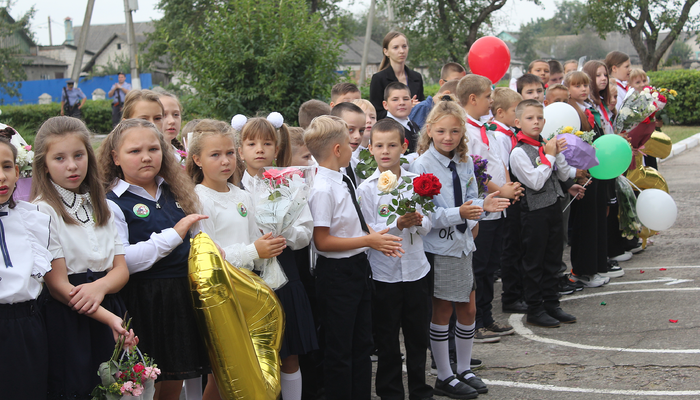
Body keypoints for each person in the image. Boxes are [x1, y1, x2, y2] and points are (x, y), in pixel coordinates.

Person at [98, 119, 210, 400]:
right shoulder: (112, 202)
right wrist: (175, 234)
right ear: (115, 157)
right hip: (143, 302)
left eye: (153, 148)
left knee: (175, 383)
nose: (146, 157)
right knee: (145, 388)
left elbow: (195, 239)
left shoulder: (176, 191)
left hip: (182, 298)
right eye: (134, 151)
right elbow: (125, 261)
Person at [410, 96, 510, 399]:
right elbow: (425, 215)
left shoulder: (465, 162)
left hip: (464, 244)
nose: (448, 138)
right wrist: (461, 214)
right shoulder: (420, 165)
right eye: (441, 132)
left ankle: (463, 368)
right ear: (429, 130)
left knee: (469, 309)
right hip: (440, 247)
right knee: (442, 310)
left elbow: (471, 196)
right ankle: (444, 374)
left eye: (454, 132)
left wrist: (483, 205)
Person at [31, 116, 137, 399]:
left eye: (78, 155)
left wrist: (101, 288)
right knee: (78, 388)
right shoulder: (42, 211)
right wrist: (110, 319)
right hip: (70, 317)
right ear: (44, 164)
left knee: (117, 387)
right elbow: (58, 285)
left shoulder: (103, 203)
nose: (72, 165)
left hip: (109, 303)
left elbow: (120, 269)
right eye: (60, 158)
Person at [185, 119, 288, 399]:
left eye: (230, 153)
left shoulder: (242, 195)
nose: (225, 161)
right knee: (222, 374)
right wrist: (254, 250)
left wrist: (271, 240)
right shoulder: (198, 199)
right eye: (215, 155)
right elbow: (209, 257)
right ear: (197, 159)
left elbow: (254, 236)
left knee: (252, 366)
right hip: (223, 295)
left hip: (250, 290)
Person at [306, 115, 403, 400]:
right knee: (340, 351)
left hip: (357, 270)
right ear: (337, 150)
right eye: (350, 143)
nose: (355, 147)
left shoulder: (342, 178)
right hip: (337, 276)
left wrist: (378, 236)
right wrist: (368, 240)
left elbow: (353, 223)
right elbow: (322, 241)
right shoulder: (323, 188)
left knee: (362, 345)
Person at [236, 116, 319, 400]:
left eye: (267, 143)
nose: (259, 149)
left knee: (289, 352)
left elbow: (305, 231)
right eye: (251, 143)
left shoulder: (289, 183)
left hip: (286, 272)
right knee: (254, 354)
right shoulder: (233, 187)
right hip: (248, 275)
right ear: (240, 150)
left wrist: (282, 235)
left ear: (276, 148)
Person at [356, 119, 434, 400]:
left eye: (392, 145)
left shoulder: (418, 183)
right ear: (370, 149)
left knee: (417, 337)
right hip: (384, 275)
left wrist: (417, 221)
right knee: (387, 338)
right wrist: (397, 223)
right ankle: (390, 392)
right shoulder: (366, 189)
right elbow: (368, 231)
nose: (385, 151)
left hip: (416, 271)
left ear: (404, 146)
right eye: (379, 146)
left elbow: (428, 224)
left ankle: (420, 390)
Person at [458, 75, 522, 343]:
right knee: (480, 267)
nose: (492, 100)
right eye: (488, 96)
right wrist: (500, 189)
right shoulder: (465, 131)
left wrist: (508, 187)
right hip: (481, 208)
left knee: (490, 265)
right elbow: (473, 169)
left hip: (498, 206)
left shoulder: (487, 128)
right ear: (473, 99)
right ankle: (475, 323)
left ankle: (486, 316)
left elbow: (497, 161)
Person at [509, 99, 582, 327]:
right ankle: (535, 308)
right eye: (530, 118)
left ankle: (552, 303)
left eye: (540, 118)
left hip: (553, 207)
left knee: (553, 258)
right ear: (518, 122)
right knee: (534, 262)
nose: (536, 122)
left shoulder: (545, 145)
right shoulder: (518, 153)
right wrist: (549, 156)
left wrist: (557, 154)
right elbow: (536, 182)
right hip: (534, 213)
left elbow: (560, 175)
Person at [0, 135, 54, 400]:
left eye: (7, 166)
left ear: (17, 171)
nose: (1, 177)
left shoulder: (30, 218)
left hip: (25, 325)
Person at [563, 72, 616, 289]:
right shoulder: (570, 112)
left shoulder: (589, 109)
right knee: (585, 223)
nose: (583, 89)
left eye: (585, 85)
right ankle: (582, 270)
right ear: (568, 89)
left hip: (595, 170)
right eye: (577, 86)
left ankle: (595, 267)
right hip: (582, 174)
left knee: (596, 221)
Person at [489, 88, 529, 315]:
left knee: (517, 246)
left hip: (513, 195)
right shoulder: (500, 135)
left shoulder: (510, 132)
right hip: (507, 197)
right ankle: (511, 296)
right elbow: (504, 165)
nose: (519, 114)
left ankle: (519, 291)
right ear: (501, 112)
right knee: (511, 249)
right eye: (516, 110)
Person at [370, 31, 425, 120]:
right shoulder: (379, 79)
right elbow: (376, 113)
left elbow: (423, 107)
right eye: (395, 47)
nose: (401, 51)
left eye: (404, 46)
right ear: (386, 51)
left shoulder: (417, 77)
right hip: (390, 129)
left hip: (414, 127)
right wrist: (404, 108)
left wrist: (418, 106)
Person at [410, 63, 466, 130]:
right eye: (456, 81)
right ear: (442, 83)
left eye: (463, 83)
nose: (461, 87)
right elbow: (415, 136)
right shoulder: (424, 108)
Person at [331, 102, 366, 187]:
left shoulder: (357, 165)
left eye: (361, 131)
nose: (357, 136)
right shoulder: (316, 167)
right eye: (351, 130)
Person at [382, 82, 420, 153]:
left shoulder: (414, 125)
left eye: (406, 99)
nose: (401, 103)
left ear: (411, 102)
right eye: (395, 100)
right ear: (385, 105)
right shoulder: (385, 128)